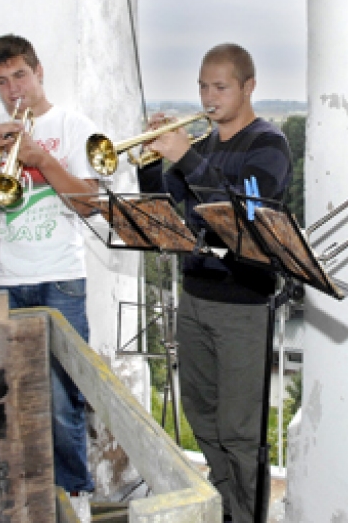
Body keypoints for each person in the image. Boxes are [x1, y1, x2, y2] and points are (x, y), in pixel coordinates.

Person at [138, 43, 293, 523]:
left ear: (249, 86)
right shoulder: (201, 147)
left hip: (243, 302)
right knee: (201, 416)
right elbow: (166, 212)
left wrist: (186, 156)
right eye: (202, 86)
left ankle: (247, 515)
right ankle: (225, 506)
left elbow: (242, 213)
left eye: (220, 86)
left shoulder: (269, 145)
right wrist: (148, 163)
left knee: (241, 432)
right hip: (195, 296)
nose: (209, 96)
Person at [0, 34, 101, 496]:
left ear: (39, 73)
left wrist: (42, 158)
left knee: (62, 400)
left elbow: (89, 204)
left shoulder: (74, 125)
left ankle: (75, 494)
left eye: (20, 75)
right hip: (9, 281)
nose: (13, 89)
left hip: (61, 278)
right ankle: (28, 493)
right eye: (1, 81)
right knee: (15, 396)